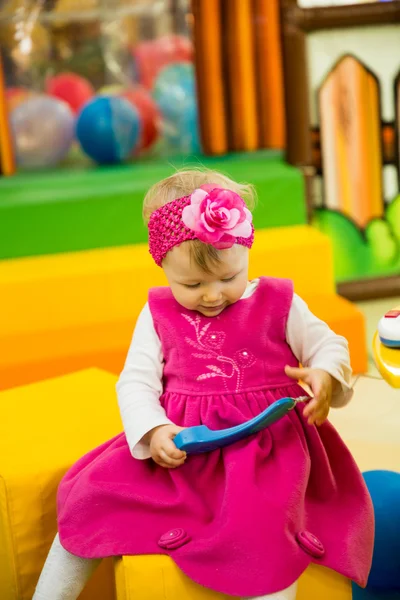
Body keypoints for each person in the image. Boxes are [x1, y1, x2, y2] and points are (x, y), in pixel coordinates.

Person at [33, 169, 374, 600]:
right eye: (192, 284)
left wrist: (325, 375)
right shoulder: (157, 313)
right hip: (184, 448)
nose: (212, 295)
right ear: (164, 267)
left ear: (246, 252)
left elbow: (330, 345)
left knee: (267, 534)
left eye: (228, 279)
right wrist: (154, 430)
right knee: (88, 499)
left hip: (266, 454)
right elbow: (135, 381)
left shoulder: (279, 302)